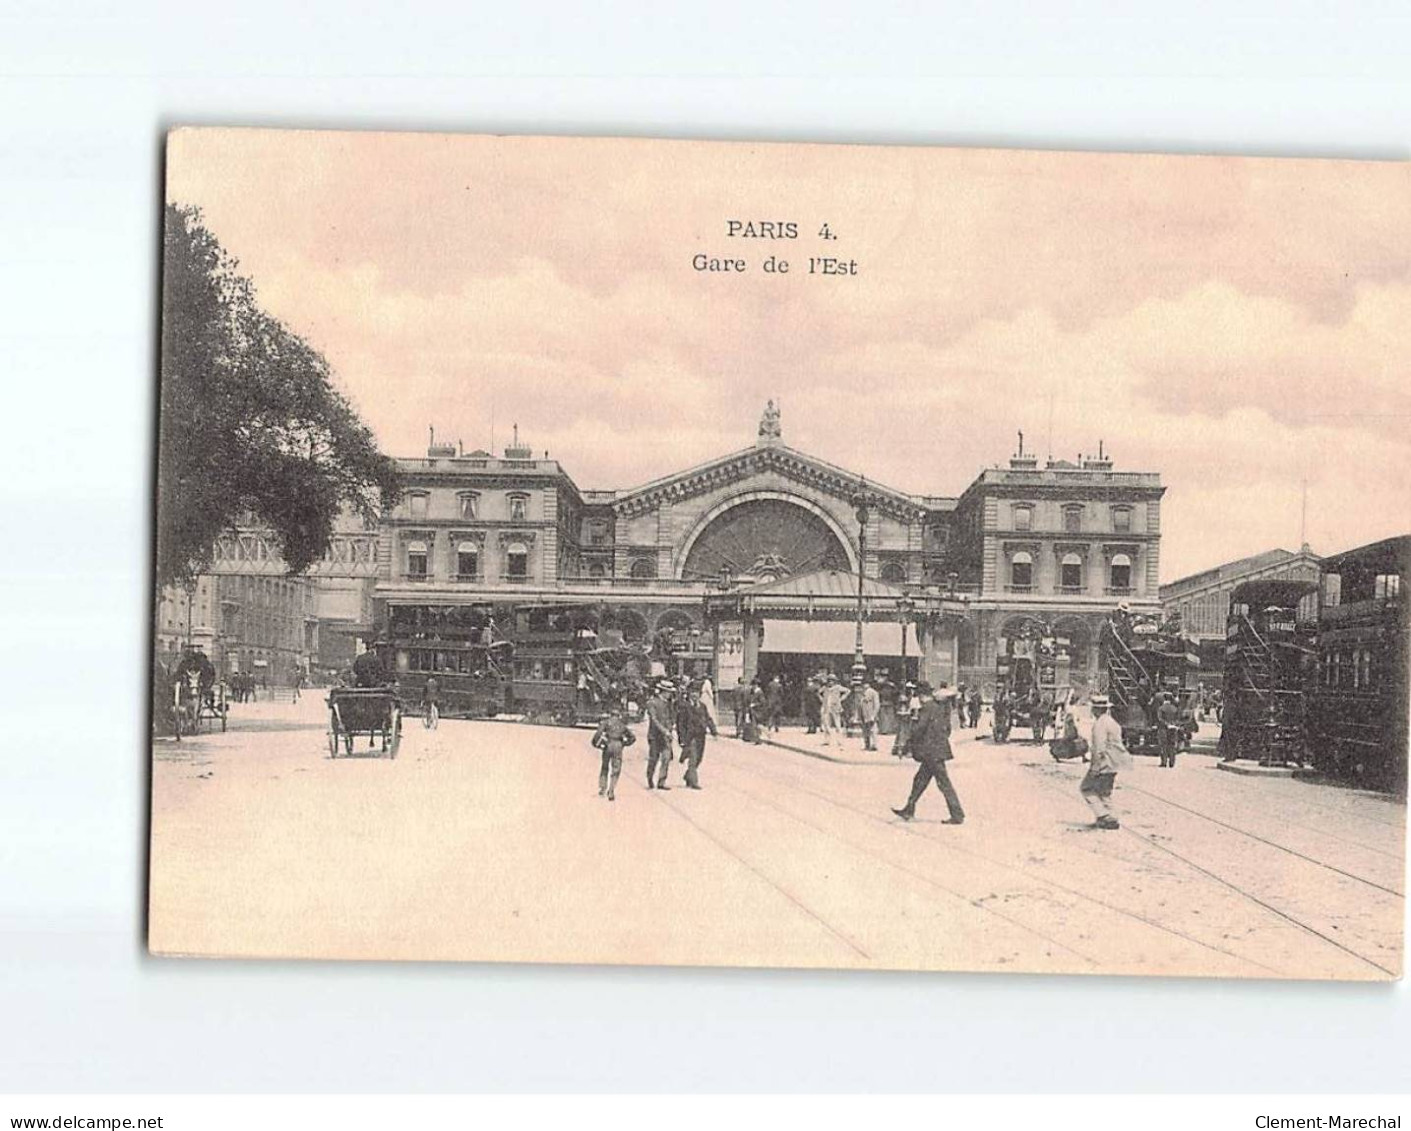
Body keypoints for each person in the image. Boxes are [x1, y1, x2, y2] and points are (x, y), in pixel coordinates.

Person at [892, 682, 965, 824]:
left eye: (918, 695)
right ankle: (909, 809)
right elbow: (947, 728)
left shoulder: (926, 708)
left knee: (943, 783)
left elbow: (919, 729)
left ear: (921, 695)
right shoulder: (939, 708)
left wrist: (908, 744)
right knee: (920, 781)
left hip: (931, 753)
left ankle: (957, 815)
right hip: (936, 751)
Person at [1082, 694, 1132, 829]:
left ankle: (1104, 816)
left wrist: (1095, 767)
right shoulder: (1112, 721)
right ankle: (1111, 817)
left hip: (1106, 762)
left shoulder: (1100, 724)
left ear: (1096, 709)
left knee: (1086, 788)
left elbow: (1099, 747)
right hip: (1117, 762)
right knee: (1104, 791)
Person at [676, 684, 718, 789]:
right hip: (690, 737)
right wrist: (681, 738)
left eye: (697, 693)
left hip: (701, 736)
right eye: (693, 693)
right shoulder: (685, 706)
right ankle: (694, 782)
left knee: (699, 758)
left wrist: (714, 731)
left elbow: (708, 719)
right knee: (693, 758)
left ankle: (688, 776)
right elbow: (680, 723)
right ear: (689, 694)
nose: (695, 695)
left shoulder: (702, 706)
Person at [592, 702, 636, 801]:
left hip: (608, 744)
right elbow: (633, 738)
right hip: (618, 745)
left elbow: (598, 734)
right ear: (619, 715)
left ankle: (602, 788)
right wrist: (625, 744)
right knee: (616, 769)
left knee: (604, 767)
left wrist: (596, 744)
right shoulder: (622, 725)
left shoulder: (606, 722)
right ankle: (611, 790)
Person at [645, 680, 676, 789]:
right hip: (655, 736)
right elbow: (654, 720)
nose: (669, 694)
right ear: (662, 692)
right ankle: (649, 776)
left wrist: (672, 725)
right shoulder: (652, 703)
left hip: (666, 736)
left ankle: (661, 781)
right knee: (653, 758)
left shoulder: (669, 704)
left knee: (666, 758)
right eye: (668, 692)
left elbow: (672, 716)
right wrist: (665, 731)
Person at [892, 681, 920, 758]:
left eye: (912, 689)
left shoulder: (915, 699)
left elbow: (915, 709)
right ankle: (901, 749)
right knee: (903, 733)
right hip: (905, 718)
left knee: (910, 734)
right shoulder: (906, 698)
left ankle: (909, 750)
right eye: (909, 689)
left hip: (911, 718)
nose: (910, 690)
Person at [819, 674, 846, 746]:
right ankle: (827, 740)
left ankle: (840, 740)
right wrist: (822, 699)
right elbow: (819, 693)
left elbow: (847, 691)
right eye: (829, 681)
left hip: (835, 708)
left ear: (834, 681)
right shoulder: (825, 688)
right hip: (826, 707)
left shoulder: (838, 687)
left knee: (837, 725)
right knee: (826, 725)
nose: (830, 682)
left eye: (832, 681)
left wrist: (840, 699)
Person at [1156, 691, 1181, 768]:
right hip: (1173, 728)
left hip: (1163, 728)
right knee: (1172, 745)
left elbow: (1159, 719)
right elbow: (1178, 719)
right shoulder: (1175, 709)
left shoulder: (1161, 708)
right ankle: (1172, 762)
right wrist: (1173, 724)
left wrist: (1166, 724)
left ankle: (1164, 762)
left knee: (1163, 745)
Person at [859, 679, 881, 751]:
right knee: (865, 731)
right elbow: (860, 705)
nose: (864, 685)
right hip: (864, 715)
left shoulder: (873, 692)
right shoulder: (863, 693)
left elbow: (877, 705)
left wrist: (873, 715)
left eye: (866, 683)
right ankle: (867, 744)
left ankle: (874, 745)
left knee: (873, 730)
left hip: (871, 714)